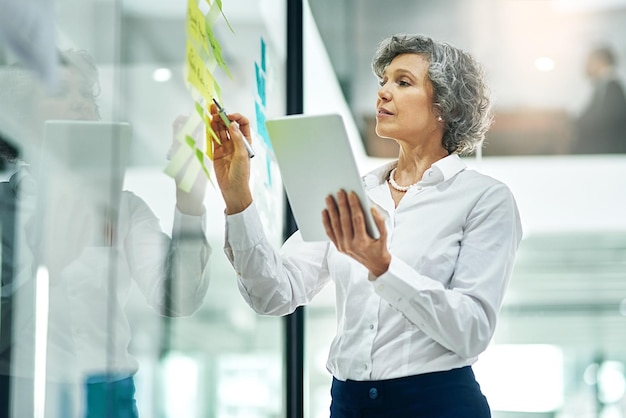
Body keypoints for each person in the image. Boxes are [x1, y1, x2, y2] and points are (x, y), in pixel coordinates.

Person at [209, 33, 522, 417]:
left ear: (444, 105)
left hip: (438, 403)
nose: (383, 93)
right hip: (349, 404)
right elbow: (274, 294)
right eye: (383, 82)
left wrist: (383, 267)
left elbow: (471, 331)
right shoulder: (353, 193)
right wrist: (237, 197)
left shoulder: (484, 198)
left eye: (402, 82)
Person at [0, 49, 211, 417]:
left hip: (111, 394)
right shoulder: (6, 206)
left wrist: (190, 203)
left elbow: (177, 300)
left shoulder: (127, 209)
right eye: (63, 94)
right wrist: (45, 270)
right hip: (27, 390)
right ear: (23, 118)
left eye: (86, 95)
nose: (82, 104)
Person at [573, 45, 626, 154]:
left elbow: (606, 121)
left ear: (601, 60)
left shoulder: (612, 87)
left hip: (607, 155)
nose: (587, 66)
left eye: (590, 61)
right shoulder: (602, 87)